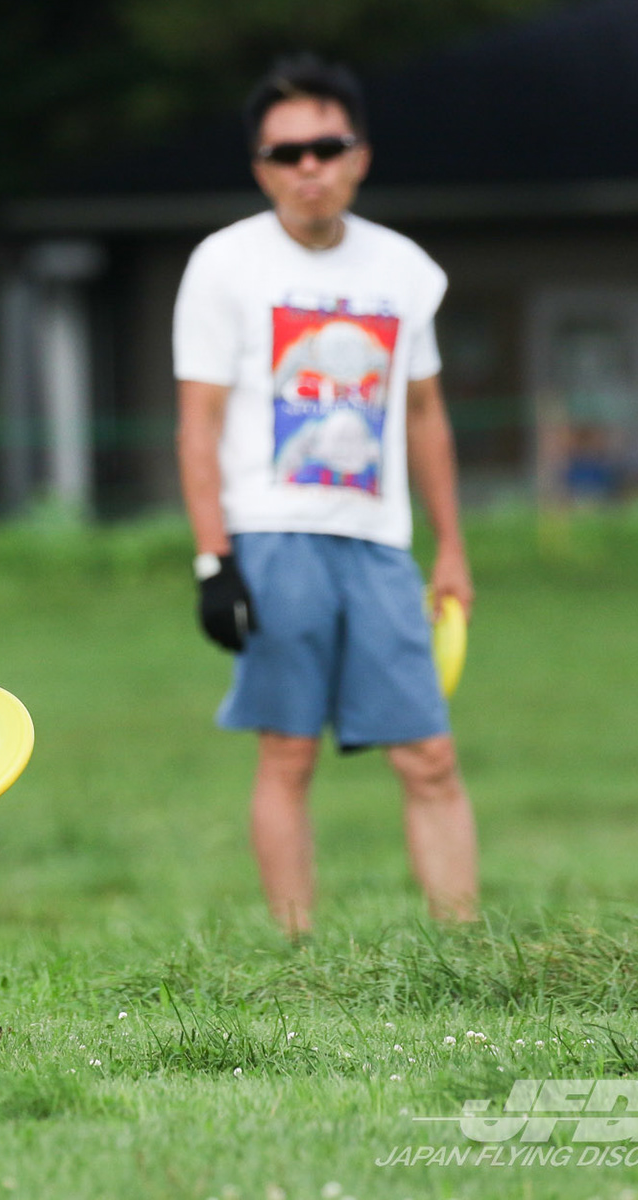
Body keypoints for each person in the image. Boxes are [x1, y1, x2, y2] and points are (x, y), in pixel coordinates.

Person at [172, 54, 478, 936]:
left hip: (379, 542)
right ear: (262, 167)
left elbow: (425, 413)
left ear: (359, 156)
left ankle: (463, 944)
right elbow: (198, 423)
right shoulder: (224, 264)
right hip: (272, 536)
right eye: (287, 153)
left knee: (429, 754)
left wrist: (451, 548)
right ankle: (297, 947)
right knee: (289, 749)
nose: (309, 167)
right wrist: (213, 559)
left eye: (327, 147)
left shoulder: (404, 270)